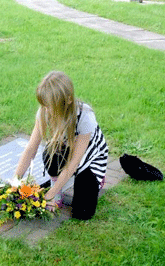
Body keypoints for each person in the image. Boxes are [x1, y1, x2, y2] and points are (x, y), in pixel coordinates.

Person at [14, 71, 109, 220]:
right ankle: (57, 183)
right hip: (65, 150)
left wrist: (50, 194)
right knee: (50, 153)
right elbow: (31, 148)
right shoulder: (45, 111)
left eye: (50, 106)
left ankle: (96, 179)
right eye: (44, 105)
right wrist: (16, 180)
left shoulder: (85, 116)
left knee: (82, 213)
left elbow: (74, 163)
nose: (46, 110)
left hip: (89, 158)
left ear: (69, 100)